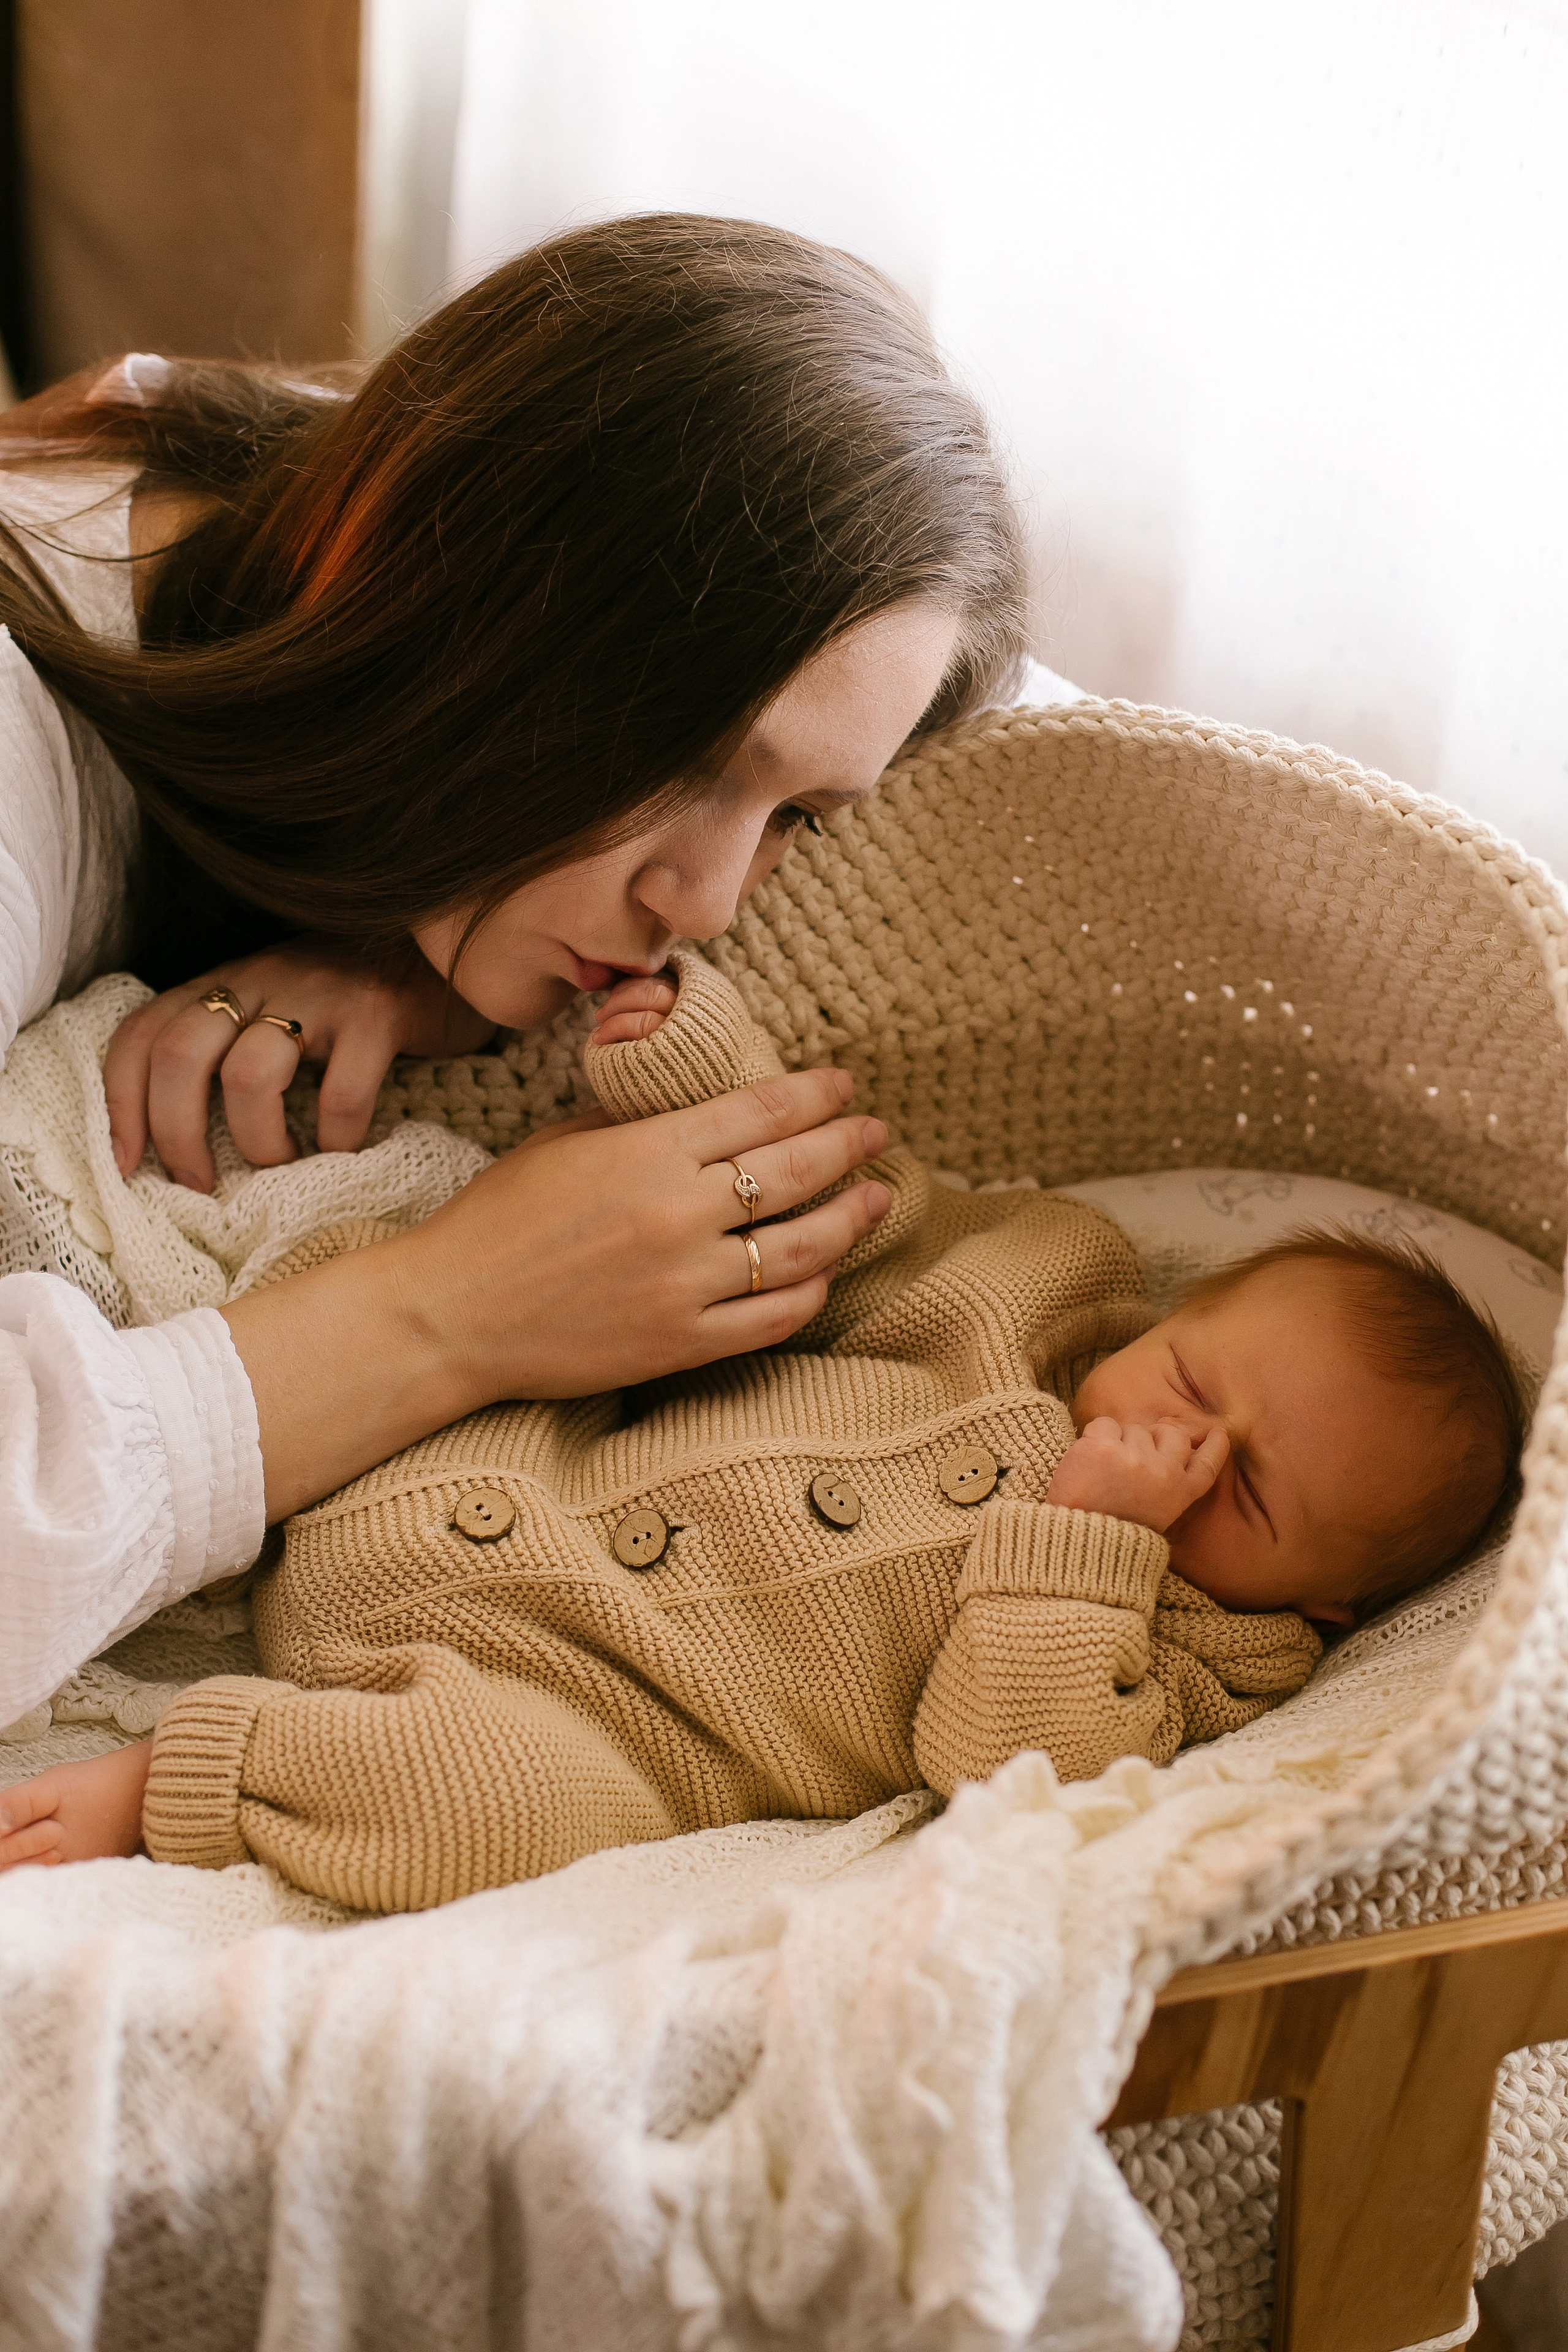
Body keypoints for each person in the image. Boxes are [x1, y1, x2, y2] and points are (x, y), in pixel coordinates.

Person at [0, 213, 1039, 1730]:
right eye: (685, 758)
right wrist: (451, 1314)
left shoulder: (299, 499)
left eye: (798, 817)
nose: (705, 901)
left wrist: (387, 913)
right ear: (483, 601)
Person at [0, 954, 1523, 1907]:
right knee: (504, 1246)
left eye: (1242, 1494)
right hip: (491, 1457)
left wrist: (1090, 1548)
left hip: (582, 1704)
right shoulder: (1042, 1300)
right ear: (1169, 1318)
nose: (1173, 1454)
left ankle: (184, 1776)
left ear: (1324, 1602)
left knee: (493, 1814)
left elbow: (1004, 1774)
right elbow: (828, 1227)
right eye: (1189, 1389)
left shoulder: (1198, 1668)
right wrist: (693, 1063)